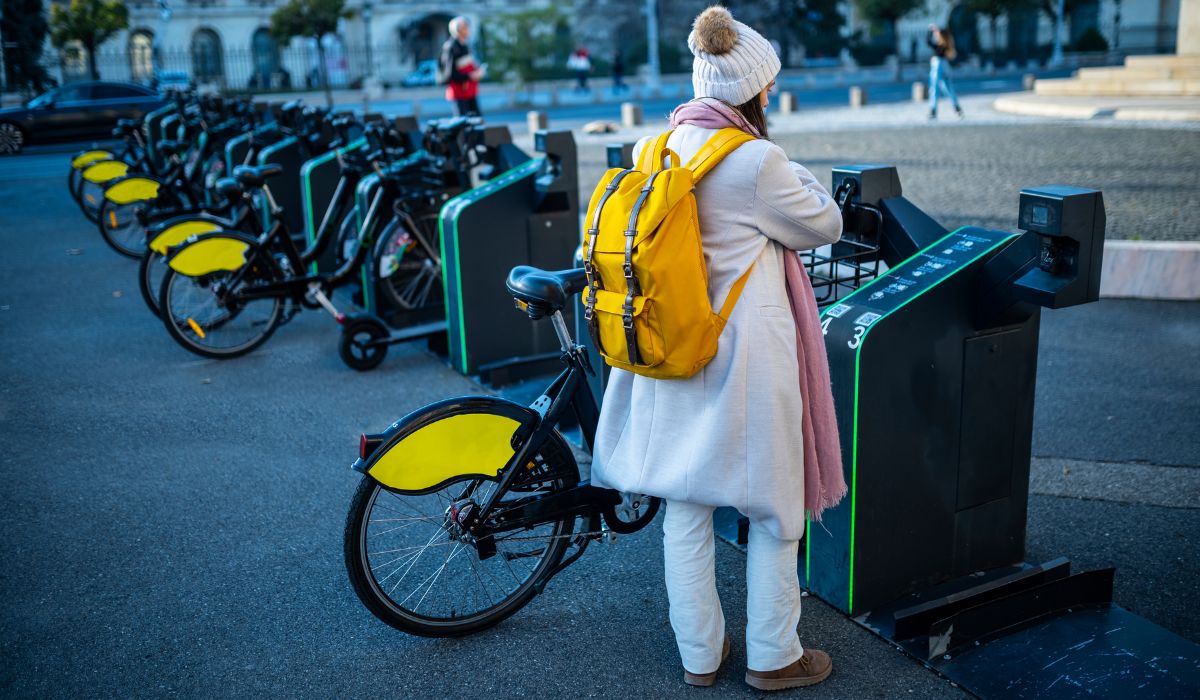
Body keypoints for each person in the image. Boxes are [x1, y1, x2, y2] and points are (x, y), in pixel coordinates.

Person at [591, 5, 843, 692]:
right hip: (744, 360)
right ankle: (773, 656)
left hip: (671, 348)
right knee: (772, 507)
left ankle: (700, 656)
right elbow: (823, 223)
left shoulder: (654, 148)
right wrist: (810, 180)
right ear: (754, 90)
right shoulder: (757, 160)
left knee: (686, 507)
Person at [438, 16, 484, 117]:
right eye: (464, 27)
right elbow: (449, 74)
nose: (468, 29)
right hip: (459, 92)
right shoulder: (450, 47)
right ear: (457, 30)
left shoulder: (464, 45)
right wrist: (469, 76)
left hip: (469, 91)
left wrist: (477, 73)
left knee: (477, 121)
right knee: (462, 123)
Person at [927, 24, 963, 120]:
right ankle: (957, 108)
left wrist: (931, 31)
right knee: (949, 88)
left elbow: (928, 42)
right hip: (945, 66)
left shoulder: (940, 45)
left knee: (934, 89)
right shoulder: (946, 45)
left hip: (937, 66)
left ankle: (933, 110)